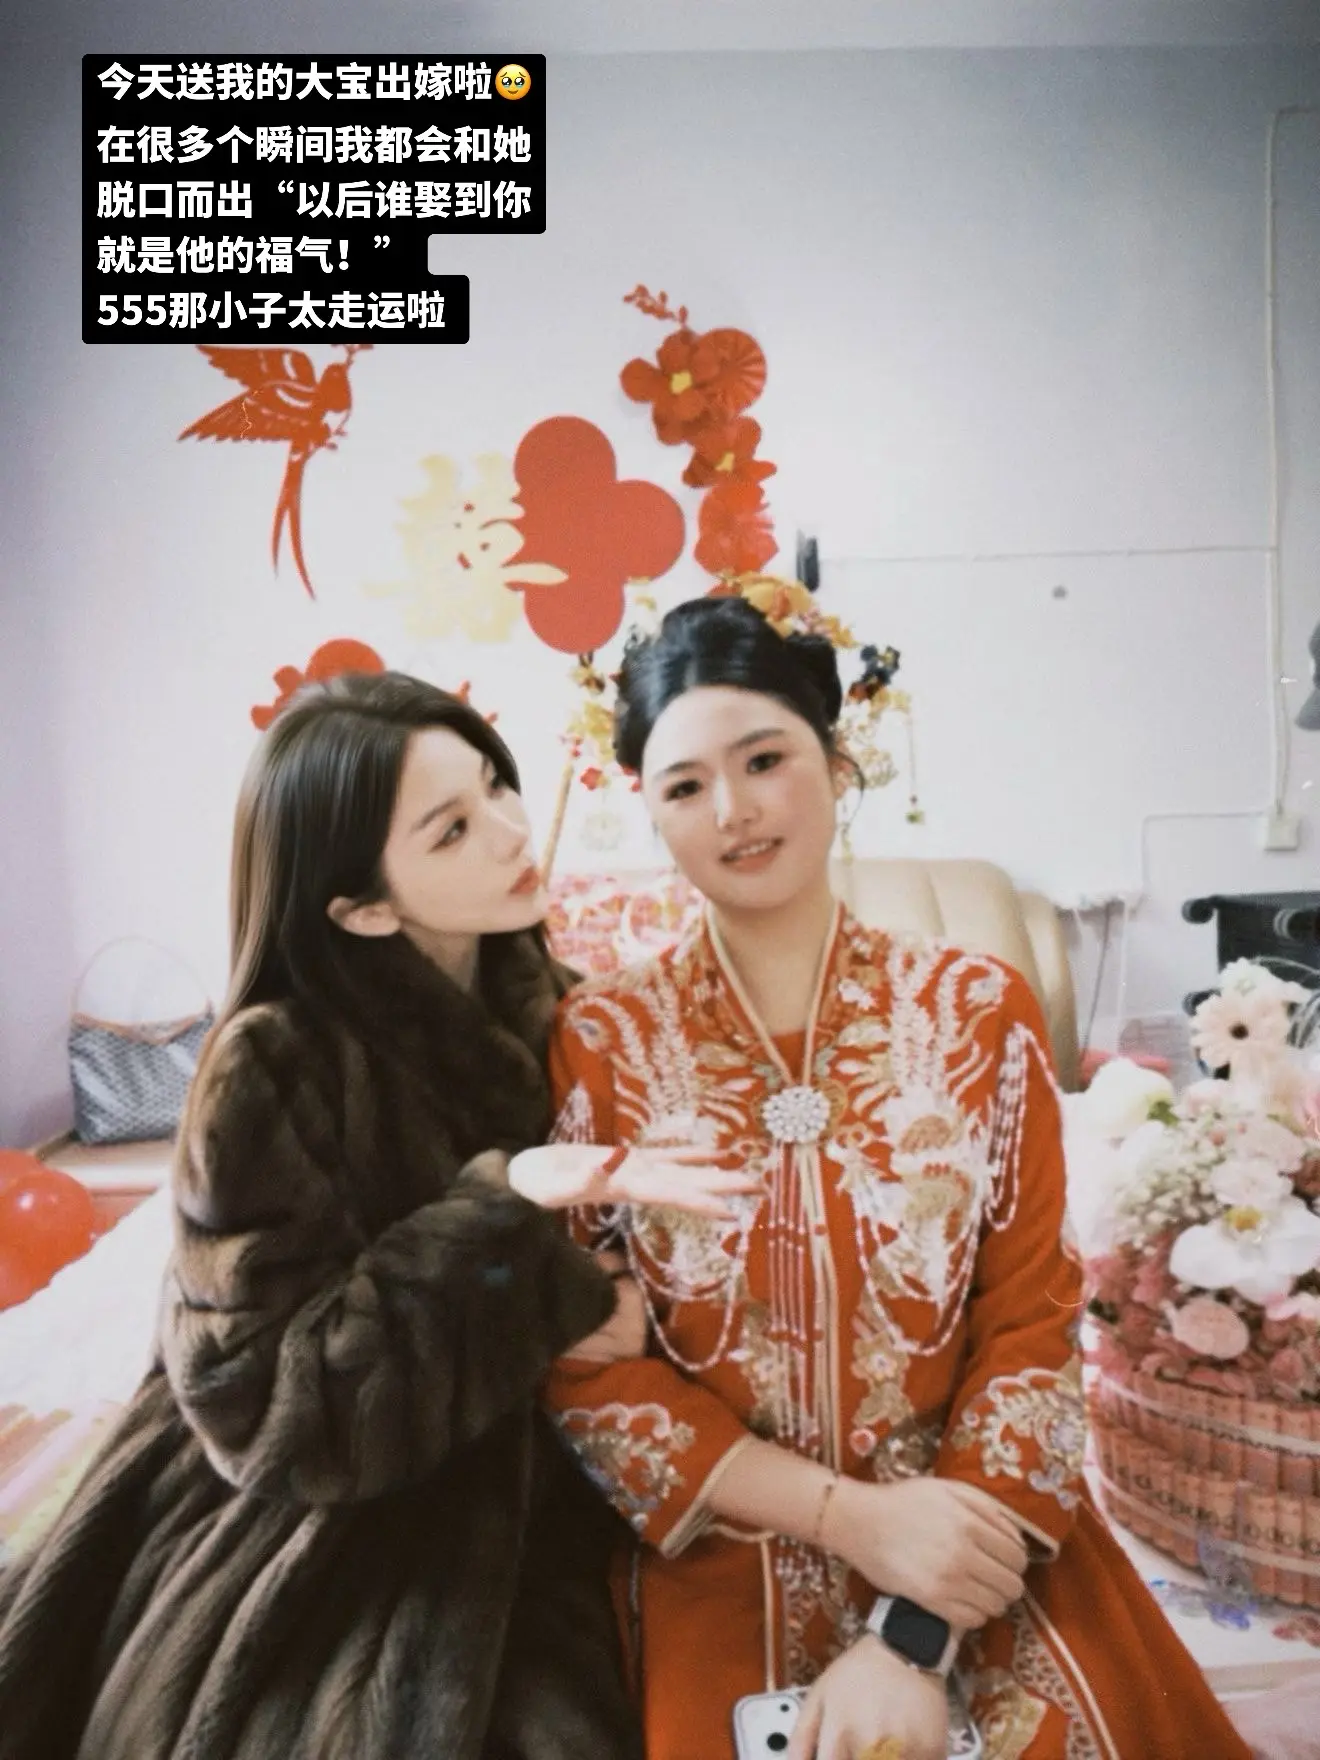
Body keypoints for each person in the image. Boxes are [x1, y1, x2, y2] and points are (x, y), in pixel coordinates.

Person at [530, 595, 1254, 1760]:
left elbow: (1030, 1324)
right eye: (685, 785)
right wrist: (847, 1517)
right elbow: (584, 1362)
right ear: (651, 812)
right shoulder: (601, 1039)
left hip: (974, 1530)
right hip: (720, 1534)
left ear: (837, 761)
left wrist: (917, 1629)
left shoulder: (976, 1009)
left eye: (765, 759)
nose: (733, 809)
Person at [0, 671, 750, 1760]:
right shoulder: (271, 1065)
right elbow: (265, 1405)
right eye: (452, 828)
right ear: (361, 906)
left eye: (494, 784)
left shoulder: (563, 1003)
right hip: (337, 1511)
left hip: (563, 1456)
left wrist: (616, 1298)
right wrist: (509, 1218)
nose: (509, 830)